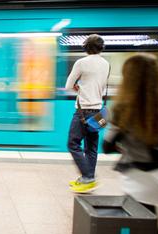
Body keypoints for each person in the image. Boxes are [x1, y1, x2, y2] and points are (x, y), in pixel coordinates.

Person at [103, 54, 158, 234]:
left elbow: (106, 146)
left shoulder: (123, 108)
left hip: (138, 179)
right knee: (147, 229)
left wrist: (118, 138)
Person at [66, 34, 110, 193]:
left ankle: (88, 176)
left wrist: (78, 86)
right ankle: (88, 178)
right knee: (91, 147)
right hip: (98, 111)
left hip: (83, 111)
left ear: (86, 47)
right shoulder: (106, 64)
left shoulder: (81, 63)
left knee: (73, 144)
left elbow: (68, 84)